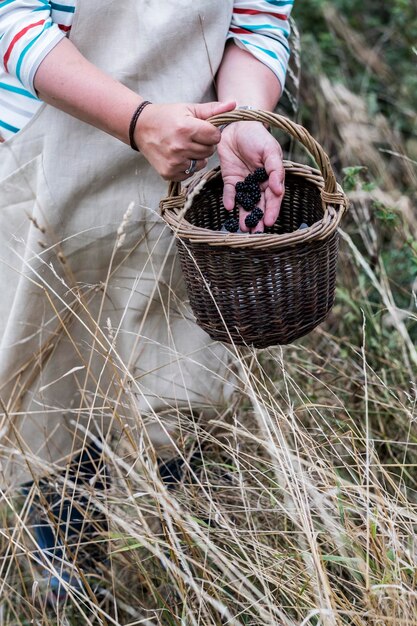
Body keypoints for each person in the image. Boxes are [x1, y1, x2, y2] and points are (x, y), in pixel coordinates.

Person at [0, 0, 293, 596]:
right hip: (48, 146)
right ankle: (71, 579)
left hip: (192, 157)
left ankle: (187, 567)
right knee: (57, 376)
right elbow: (11, 16)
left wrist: (241, 120)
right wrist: (135, 120)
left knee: (180, 373)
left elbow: (258, 20)